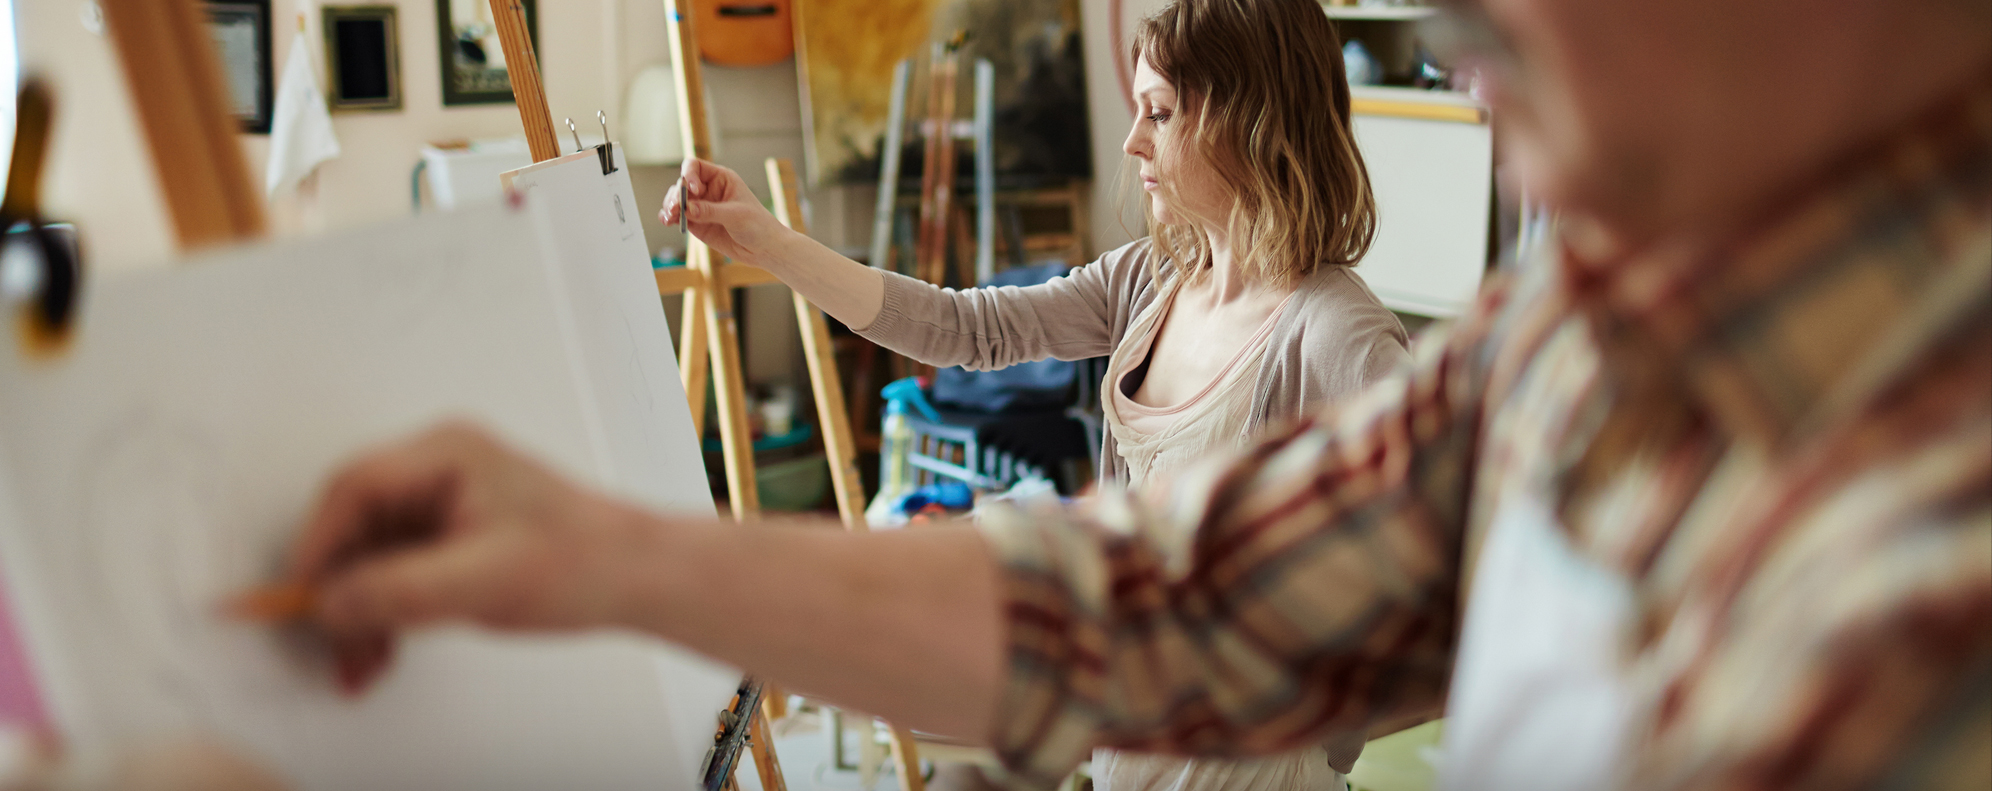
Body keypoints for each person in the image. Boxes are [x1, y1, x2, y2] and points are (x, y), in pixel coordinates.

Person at [271, 0, 1992, 788]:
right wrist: (615, 559)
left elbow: (1282, 665)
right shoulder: (1562, 342)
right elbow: (1159, 594)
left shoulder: (1911, 610)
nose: (1453, 27)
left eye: (1164, 107)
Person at [662, 0, 1406, 784]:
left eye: (1160, 112)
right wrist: (769, 242)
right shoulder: (1150, 281)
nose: (1132, 139)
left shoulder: (1335, 335)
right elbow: (961, 328)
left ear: (1245, 120)